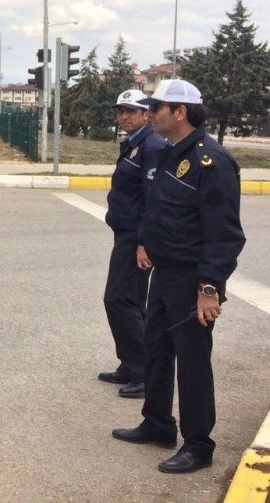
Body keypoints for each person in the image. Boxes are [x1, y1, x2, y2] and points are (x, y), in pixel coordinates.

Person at [112, 79, 245, 474]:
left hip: (192, 279)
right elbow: (160, 208)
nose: (149, 114)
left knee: (192, 362)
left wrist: (209, 289)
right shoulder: (171, 153)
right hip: (164, 270)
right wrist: (145, 243)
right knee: (155, 348)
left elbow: (224, 235)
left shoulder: (212, 162)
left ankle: (199, 445)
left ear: (181, 112)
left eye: (156, 108)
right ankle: (157, 423)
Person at [98, 88, 166, 398]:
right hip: (126, 234)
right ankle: (131, 363)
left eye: (131, 111)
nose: (124, 116)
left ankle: (142, 371)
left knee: (118, 299)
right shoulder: (136, 144)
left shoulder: (151, 145)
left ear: (146, 114)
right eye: (120, 111)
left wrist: (143, 243)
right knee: (133, 301)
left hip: (135, 237)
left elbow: (153, 201)